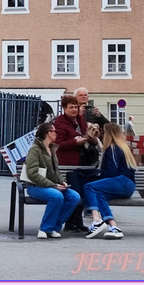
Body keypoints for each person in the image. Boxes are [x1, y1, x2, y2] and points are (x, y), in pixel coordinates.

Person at [23, 121, 81, 239]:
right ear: (48, 133)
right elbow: (32, 174)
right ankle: (44, 228)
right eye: (54, 131)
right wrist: (53, 186)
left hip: (52, 186)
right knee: (56, 196)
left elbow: (56, 171)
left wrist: (61, 182)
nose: (56, 134)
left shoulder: (52, 149)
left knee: (75, 197)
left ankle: (55, 226)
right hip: (35, 186)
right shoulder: (35, 150)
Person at [83, 123, 137, 239]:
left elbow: (111, 172)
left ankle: (96, 220)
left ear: (109, 134)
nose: (102, 134)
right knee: (98, 194)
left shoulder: (112, 148)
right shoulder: (123, 147)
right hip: (128, 184)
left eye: (104, 132)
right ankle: (114, 227)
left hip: (121, 181)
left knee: (89, 187)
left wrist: (98, 179)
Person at [52, 95, 96, 232]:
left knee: (81, 191)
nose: (74, 110)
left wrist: (91, 138)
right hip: (68, 162)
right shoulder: (59, 122)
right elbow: (57, 144)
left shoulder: (80, 119)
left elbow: (85, 134)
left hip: (83, 160)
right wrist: (75, 142)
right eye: (71, 107)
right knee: (74, 191)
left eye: (76, 107)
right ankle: (70, 223)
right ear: (64, 108)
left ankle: (78, 221)